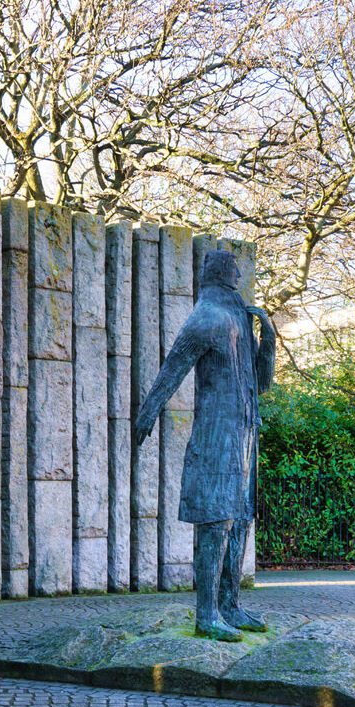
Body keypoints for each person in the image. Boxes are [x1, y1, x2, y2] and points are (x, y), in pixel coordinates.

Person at [134, 250, 276, 641]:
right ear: (224, 281)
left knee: (241, 516)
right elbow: (172, 369)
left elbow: (261, 385)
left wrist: (269, 341)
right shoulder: (207, 319)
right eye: (233, 278)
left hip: (244, 432)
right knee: (216, 520)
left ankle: (229, 605)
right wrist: (147, 414)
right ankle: (206, 613)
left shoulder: (239, 321)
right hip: (215, 435)